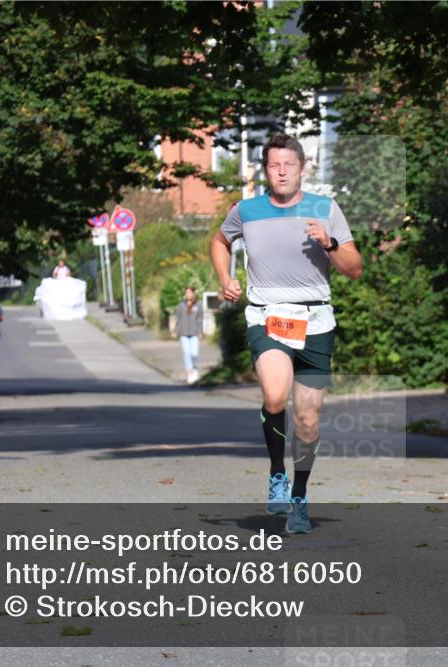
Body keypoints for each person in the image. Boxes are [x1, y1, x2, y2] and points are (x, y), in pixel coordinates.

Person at [209, 133, 363, 534]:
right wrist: (225, 278)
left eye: (288, 165)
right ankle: (277, 471)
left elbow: (354, 268)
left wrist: (329, 243)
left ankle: (299, 496)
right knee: (275, 395)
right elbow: (220, 241)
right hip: (268, 316)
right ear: (265, 170)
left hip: (316, 321)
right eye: (274, 165)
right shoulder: (246, 210)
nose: (281, 172)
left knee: (308, 420)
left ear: (302, 168)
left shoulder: (325, 208)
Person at [175, 286, 204, 384]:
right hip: (184, 334)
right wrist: (175, 331)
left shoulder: (198, 305)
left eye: (189, 292)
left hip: (194, 333)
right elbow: (178, 320)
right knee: (187, 354)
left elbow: (200, 319)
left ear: (193, 293)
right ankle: (189, 373)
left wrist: (200, 331)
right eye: (186, 292)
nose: (188, 294)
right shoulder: (181, 306)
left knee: (194, 353)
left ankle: (194, 369)